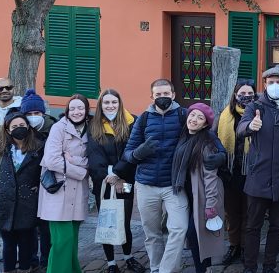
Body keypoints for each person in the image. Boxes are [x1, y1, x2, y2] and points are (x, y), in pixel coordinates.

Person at [123, 79, 188, 273]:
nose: (162, 98)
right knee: (153, 234)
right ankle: (155, 268)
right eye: (158, 95)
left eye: (166, 94)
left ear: (173, 95)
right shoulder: (143, 119)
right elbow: (128, 153)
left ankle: (165, 270)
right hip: (146, 185)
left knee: (178, 229)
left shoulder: (183, 115)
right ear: (152, 97)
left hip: (173, 185)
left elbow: (200, 139)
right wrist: (138, 153)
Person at [236, 67, 279, 273]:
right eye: (271, 82)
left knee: (277, 226)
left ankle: (270, 266)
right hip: (258, 177)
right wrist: (250, 126)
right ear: (264, 85)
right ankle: (250, 267)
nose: (274, 86)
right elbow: (241, 128)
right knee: (253, 226)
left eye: (278, 82)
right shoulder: (254, 106)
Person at [86, 89, 146, 273]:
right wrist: (109, 176)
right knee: (107, 221)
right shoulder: (93, 125)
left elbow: (132, 152)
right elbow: (94, 156)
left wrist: (120, 175)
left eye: (114, 102)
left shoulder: (131, 122)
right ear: (100, 105)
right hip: (102, 182)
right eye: (106, 103)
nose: (110, 106)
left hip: (125, 179)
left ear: (120, 104)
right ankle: (111, 263)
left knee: (124, 220)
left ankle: (128, 257)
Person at [0, 111, 43, 273]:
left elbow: (47, 173)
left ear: (28, 127)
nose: (19, 129)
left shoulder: (38, 149)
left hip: (28, 206)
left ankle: (25, 269)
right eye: (14, 126)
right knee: (8, 245)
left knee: (27, 243)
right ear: (7, 130)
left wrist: (38, 186)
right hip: (4, 205)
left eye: (22, 125)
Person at [38, 94, 91, 273]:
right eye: (73, 108)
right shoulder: (58, 128)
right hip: (58, 191)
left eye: (81, 108)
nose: (77, 112)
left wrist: (73, 160)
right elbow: (51, 160)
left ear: (86, 110)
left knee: (72, 241)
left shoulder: (90, 130)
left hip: (77, 193)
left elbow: (92, 160)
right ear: (67, 110)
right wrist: (81, 171)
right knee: (62, 241)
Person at [173, 103, 226, 273]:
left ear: (205, 124)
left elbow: (211, 178)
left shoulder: (207, 143)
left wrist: (211, 204)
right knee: (198, 235)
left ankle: (202, 270)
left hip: (204, 196)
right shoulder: (183, 137)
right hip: (187, 194)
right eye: (192, 115)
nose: (194, 119)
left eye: (200, 117)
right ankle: (206, 268)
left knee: (195, 234)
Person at [216, 80, 256, 267]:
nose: (246, 96)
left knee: (250, 213)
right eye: (242, 93)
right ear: (235, 95)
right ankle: (234, 246)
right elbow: (213, 138)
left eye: (250, 93)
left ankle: (248, 247)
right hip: (230, 172)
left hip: (252, 172)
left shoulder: (258, 113)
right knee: (231, 213)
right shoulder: (224, 115)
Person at [18, 88, 54, 271]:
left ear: (43, 113)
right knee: (28, 227)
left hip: (47, 187)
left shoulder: (53, 129)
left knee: (46, 229)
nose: (33, 116)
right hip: (27, 188)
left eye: (37, 113)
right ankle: (31, 260)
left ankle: (46, 261)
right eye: (29, 113)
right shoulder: (19, 132)